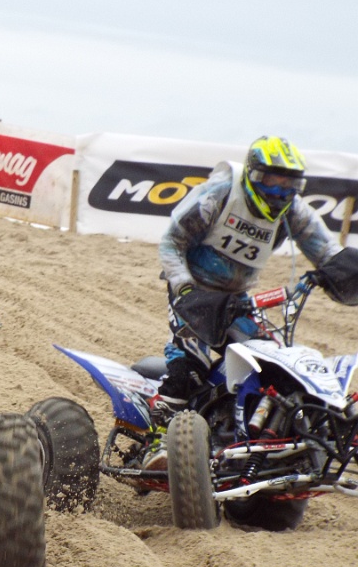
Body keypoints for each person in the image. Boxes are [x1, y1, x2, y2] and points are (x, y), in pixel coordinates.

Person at [144, 135, 344, 470]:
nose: (279, 192)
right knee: (188, 368)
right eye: (271, 182)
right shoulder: (220, 194)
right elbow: (172, 242)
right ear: (252, 176)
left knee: (273, 367)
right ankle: (159, 441)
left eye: (288, 185)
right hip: (194, 293)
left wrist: (344, 272)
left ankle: (256, 442)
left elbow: (327, 253)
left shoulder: (293, 210)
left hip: (238, 300)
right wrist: (184, 288)